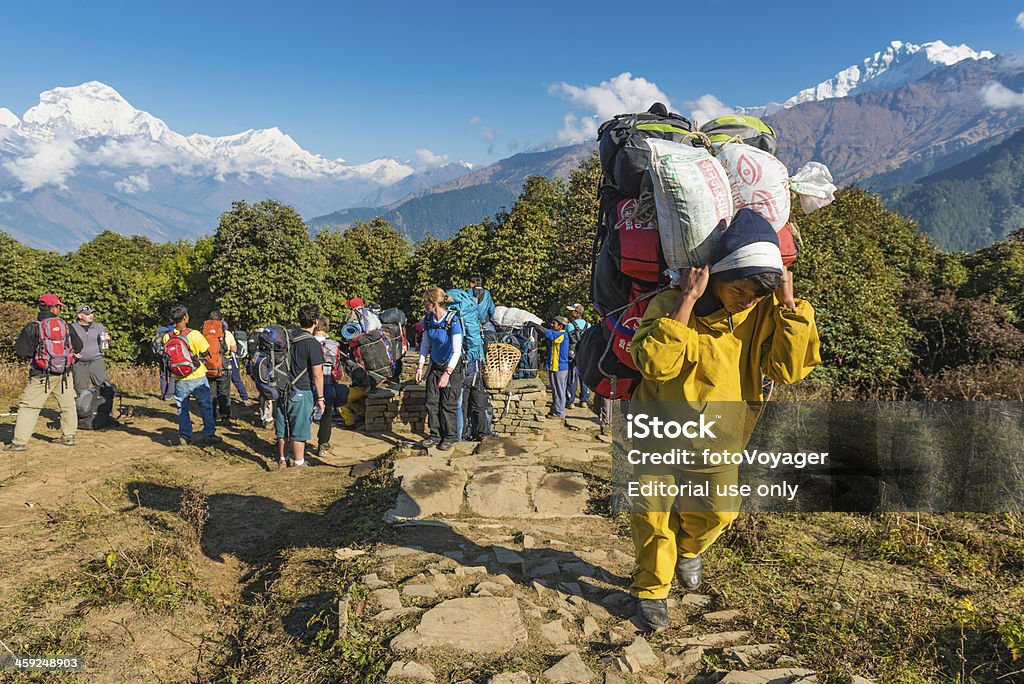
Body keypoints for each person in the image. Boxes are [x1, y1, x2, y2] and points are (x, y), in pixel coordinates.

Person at [626, 210, 821, 631]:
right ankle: (652, 590)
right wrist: (687, 300)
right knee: (652, 514)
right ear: (716, 274)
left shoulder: (763, 312)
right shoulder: (670, 304)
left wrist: (787, 304)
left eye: (757, 293)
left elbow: (788, 370)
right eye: (740, 288)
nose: (747, 299)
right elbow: (654, 365)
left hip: (721, 438)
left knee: (719, 512)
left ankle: (689, 547)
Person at [4, 294, 83, 452]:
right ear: (53, 308)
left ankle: (19, 442)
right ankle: (68, 437)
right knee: (68, 405)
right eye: (58, 306)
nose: (59, 309)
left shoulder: (33, 326)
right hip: (64, 373)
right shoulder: (66, 325)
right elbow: (78, 346)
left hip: (41, 374)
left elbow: (21, 351)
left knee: (29, 407)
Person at [275, 304, 326, 469]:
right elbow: (317, 374)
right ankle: (299, 462)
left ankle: (282, 460)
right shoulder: (312, 343)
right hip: (301, 390)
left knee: (283, 427)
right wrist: (320, 398)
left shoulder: (287, 336)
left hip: (281, 388)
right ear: (316, 321)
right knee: (299, 429)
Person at [416, 287, 465, 450]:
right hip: (435, 365)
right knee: (431, 402)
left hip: (452, 366)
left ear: (434, 303)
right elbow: (425, 344)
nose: (424, 304)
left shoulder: (453, 320)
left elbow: (457, 350)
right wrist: (420, 366)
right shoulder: (428, 320)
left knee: (448, 404)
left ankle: (449, 437)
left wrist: (447, 373)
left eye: (426, 301)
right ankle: (435, 435)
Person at [164, 305, 220, 447]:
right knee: (205, 406)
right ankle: (209, 434)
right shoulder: (194, 334)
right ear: (185, 318)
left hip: (179, 378)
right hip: (197, 375)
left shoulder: (167, 336)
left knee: (182, 408)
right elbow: (206, 353)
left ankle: (184, 436)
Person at [313, 317, 349, 456]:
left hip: (309, 383)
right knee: (326, 415)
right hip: (328, 382)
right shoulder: (334, 345)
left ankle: (299, 446)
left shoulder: (307, 343)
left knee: (305, 415)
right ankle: (323, 444)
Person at [526, 316, 570, 419]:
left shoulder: (561, 335)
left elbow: (546, 332)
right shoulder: (558, 334)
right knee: (556, 390)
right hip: (555, 367)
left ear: (560, 326)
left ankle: (559, 413)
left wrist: (534, 325)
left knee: (559, 391)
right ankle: (555, 410)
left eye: (554, 323)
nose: (552, 325)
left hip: (560, 368)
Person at [70, 304, 111, 396]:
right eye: (87, 314)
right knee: (81, 389)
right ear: (79, 315)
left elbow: (104, 343)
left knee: (104, 386)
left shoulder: (99, 326)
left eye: (92, 313)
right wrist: (72, 354)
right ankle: (83, 409)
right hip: (79, 362)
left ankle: (104, 409)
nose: (91, 316)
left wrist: (107, 339)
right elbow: (67, 345)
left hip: (96, 361)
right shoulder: (71, 328)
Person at [202, 310, 236, 423]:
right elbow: (234, 349)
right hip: (224, 366)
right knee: (224, 392)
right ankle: (225, 417)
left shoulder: (204, 333)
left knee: (211, 393)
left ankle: (212, 416)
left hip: (209, 366)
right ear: (221, 321)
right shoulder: (227, 333)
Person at [565, 303, 591, 408]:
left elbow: (567, 339)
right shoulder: (588, 325)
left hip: (572, 354)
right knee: (584, 377)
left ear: (577, 313)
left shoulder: (570, 325)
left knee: (572, 377)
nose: (570, 313)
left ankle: (570, 401)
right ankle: (584, 400)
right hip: (585, 354)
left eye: (572, 311)